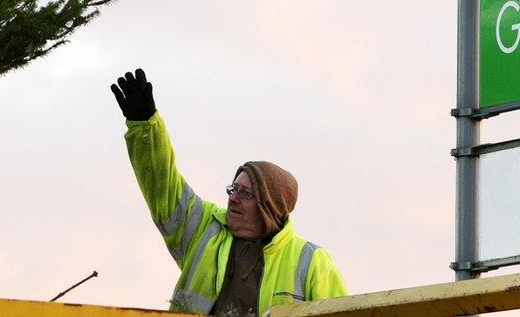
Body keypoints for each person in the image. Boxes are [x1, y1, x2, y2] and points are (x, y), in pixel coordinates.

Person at [111, 69, 347, 316]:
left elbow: (346, 314)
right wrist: (144, 125)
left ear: (270, 207)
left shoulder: (311, 261)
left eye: (246, 193)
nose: (233, 197)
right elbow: (162, 184)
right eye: (233, 188)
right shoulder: (202, 228)